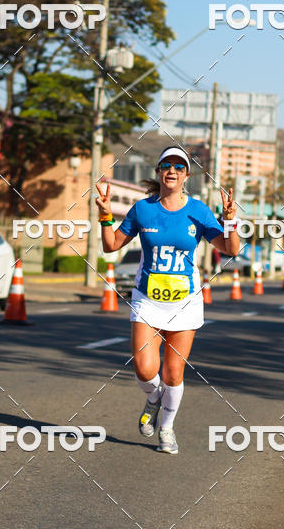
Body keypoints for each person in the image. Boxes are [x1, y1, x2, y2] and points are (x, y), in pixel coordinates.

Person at [96, 145, 239, 455]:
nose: (172, 170)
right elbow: (111, 246)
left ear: (186, 175)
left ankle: (167, 428)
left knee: (173, 373)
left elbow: (230, 249)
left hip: (185, 302)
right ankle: (153, 398)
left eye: (179, 166)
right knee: (144, 369)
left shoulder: (199, 211)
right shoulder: (142, 209)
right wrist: (105, 215)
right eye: (166, 165)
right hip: (147, 299)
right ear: (158, 172)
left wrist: (230, 221)